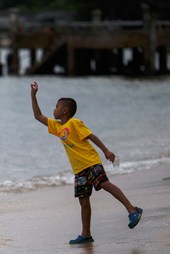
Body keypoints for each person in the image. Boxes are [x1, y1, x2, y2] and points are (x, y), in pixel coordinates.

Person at [30, 81, 142, 244]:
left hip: (91, 162)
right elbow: (38, 116)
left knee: (104, 184)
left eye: (56, 106)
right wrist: (33, 96)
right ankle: (86, 234)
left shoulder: (74, 123)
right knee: (83, 199)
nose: (53, 109)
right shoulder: (58, 127)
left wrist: (106, 150)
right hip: (79, 169)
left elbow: (91, 136)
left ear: (65, 110)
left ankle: (132, 210)